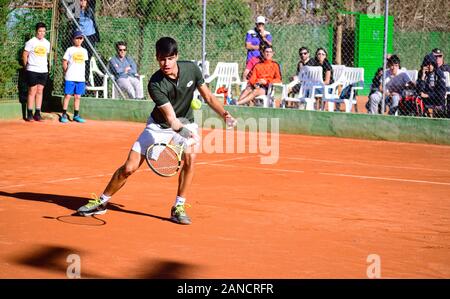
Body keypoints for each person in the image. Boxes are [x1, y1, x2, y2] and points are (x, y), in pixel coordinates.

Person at [77, 37, 237, 225]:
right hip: (159, 125)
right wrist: (185, 133)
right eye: (162, 59)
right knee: (129, 168)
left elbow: (209, 97)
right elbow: (170, 119)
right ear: (156, 58)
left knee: (190, 158)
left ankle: (179, 206)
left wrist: (225, 115)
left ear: (176, 56)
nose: (166, 63)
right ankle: (102, 202)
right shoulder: (155, 83)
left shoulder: (192, 70)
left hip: (187, 121)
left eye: (169, 58)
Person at [22, 22, 50, 122]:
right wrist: (26, 67)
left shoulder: (47, 43)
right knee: (32, 91)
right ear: (36, 31)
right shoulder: (31, 42)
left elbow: (45, 56)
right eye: (40, 31)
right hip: (32, 70)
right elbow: (25, 55)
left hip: (43, 71)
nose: (41, 33)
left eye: (43, 31)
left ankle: (37, 113)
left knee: (40, 91)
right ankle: (29, 113)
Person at [60, 31, 89, 123]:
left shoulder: (84, 51)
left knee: (77, 97)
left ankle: (76, 115)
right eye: (77, 38)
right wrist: (66, 72)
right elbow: (64, 62)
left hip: (80, 78)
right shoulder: (70, 49)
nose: (79, 40)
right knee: (68, 95)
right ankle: (64, 114)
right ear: (73, 39)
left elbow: (84, 64)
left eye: (81, 38)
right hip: (70, 77)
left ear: (83, 39)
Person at [76, 0, 100, 85]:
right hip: (80, 36)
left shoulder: (90, 9)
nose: (82, 2)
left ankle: (86, 79)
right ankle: (78, 78)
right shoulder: (76, 10)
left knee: (87, 59)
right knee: (79, 58)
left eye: (84, 0)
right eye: (80, 0)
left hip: (90, 36)